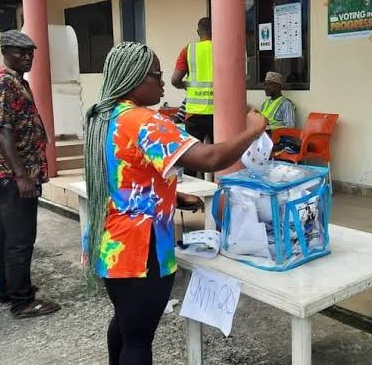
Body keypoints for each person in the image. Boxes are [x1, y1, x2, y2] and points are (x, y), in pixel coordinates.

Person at [83, 42, 267, 365]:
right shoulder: (144, 121)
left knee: (125, 324)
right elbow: (210, 158)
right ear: (136, 79)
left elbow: (120, 175)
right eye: (156, 74)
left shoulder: (104, 116)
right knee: (139, 339)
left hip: (109, 244)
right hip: (140, 251)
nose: (164, 81)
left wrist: (172, 195)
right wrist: (253, 131)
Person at [0, 30, 60, 318]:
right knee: (20, 239)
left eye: (31, 52)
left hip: (14, 173)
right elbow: (1, 131)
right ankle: (22, 301)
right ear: (5, 52)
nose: (27, 56)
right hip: (12, 175)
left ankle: (8, 289)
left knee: (8, 235)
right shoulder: (4, 82)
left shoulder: (17, 81)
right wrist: (21, 175)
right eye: (20, 52)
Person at [171, 17, 214, 145]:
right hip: (219, 113)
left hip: (194, 114)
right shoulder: (223, 48)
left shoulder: (188, 50)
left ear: (198, 32)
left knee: (194, 157)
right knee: (220, 157)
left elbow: (175, 80)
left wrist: (186, 85)